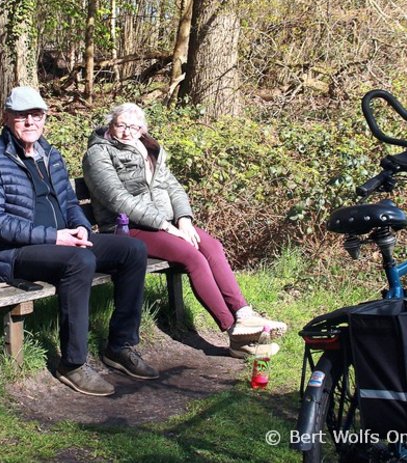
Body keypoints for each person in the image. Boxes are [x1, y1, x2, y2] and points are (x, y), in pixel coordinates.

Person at [0, 87, 158, 397]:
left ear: (45, 117)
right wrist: (55, 236)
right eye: (21, 115)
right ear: (6, 118)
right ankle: (73, 363)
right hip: (13, 253)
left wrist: (81, 228)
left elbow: (69, 203)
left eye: (37, 115)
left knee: (133, 250)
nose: (30, 121)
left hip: (62, 242)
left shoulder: (49, 154)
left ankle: (120, 345)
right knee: (79, 261)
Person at [82, 102, 287, 359]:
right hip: (125, 228)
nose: (126, 132)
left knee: (211, 246)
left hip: (165, 224)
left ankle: (244, 315)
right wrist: (166, 226)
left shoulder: (149, 148)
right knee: (192, 256)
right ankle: (235, 331)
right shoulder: (98, 154)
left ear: (142, 129)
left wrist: (184, 219)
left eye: (133, 127)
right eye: (120, 125)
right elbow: (117, 199)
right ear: (110, 125)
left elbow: (174, 187)